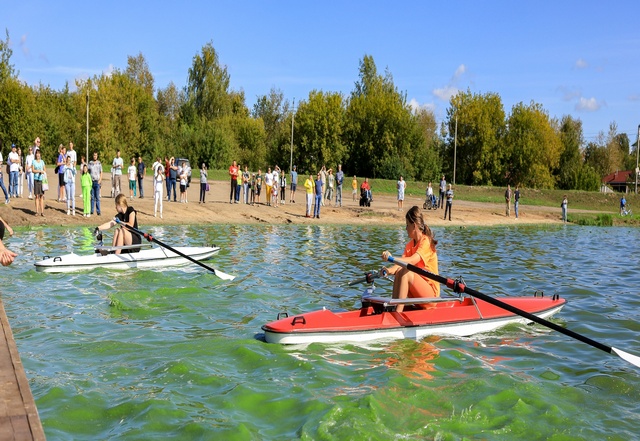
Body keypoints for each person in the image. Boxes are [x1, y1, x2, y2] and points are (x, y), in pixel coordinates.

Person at [381, 206, 440, 313]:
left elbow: (412, 260)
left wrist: (391, 258)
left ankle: (398, 312)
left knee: (406, 272)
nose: (406, 228)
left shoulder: (426, 241)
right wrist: (388, 271)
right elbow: (399, 264)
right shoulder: (409, 245)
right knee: (400, 271)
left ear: (414, 226)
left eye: (407, 225)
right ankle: (393, 307)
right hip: (418, 294)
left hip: (431, 295)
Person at [88, 151, 103, 216]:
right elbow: (88, 171)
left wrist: (100, 180)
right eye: (94, 155)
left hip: (97, 181)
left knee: (97, 197)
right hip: (91, 181)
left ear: (97, 156)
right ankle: (91, 210)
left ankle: (98, 211)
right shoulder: (90, 163)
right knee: (92, 197)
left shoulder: (99, 163)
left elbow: (101, 172)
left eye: (96, 155)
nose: (95, 156)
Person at [32, 149, 46, 216]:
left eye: (39, 153)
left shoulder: (42, 161)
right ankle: (37, 211)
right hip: (36, 179)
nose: (38, 155)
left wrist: (42, 171)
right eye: (37, 153)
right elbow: (33, 170)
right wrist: (39, 171)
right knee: (37, 195)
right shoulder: (33, 161)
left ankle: (42, 212)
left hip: (41, 180)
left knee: (41, 195)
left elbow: (44, 169)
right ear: (35, 154)